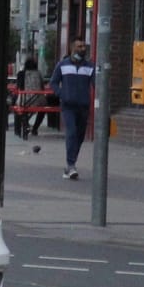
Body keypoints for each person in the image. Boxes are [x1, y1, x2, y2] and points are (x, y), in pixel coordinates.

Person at [48, 38, 93, 180]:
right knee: (72, 132)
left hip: (83, 106)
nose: (83, 49)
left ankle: (71, 164)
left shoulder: (89, 67)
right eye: (79, 46)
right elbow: (53, 83)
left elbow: (97, 83)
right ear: (72, 48)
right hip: (68, 106)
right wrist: (62, 94)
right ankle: (70, 164)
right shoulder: (62, 65)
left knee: (79, 136)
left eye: (84, 46)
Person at [17, 57, 46, 139]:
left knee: (21, 109)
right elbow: (42, 87)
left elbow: (18, 87)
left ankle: (26, 125)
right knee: (43, 110)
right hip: (38, 100)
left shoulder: (21, 74)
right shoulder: (39, 73)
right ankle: (35, 128)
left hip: (24, 100)